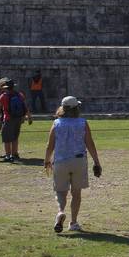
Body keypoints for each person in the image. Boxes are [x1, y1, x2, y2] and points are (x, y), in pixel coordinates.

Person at [43, 96, 102, 233]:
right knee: (76, 193)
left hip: (61, 161)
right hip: (79, 161)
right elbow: (90, 143)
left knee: (60, 191)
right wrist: (96, 161)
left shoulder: (56, 123)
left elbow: (49, 145)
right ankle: (73, 222)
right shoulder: (82, 122)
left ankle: (60, 211)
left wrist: (46, 160)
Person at [0, 78, 32, 162]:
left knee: (6, 138)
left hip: (8, 119)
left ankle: (8, 156)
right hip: (18, 119)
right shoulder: (19, 94)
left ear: (6, 87)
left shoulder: (3, 96)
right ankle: (15, 154)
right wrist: (29, 117)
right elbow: (25, 107)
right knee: (15, 137)